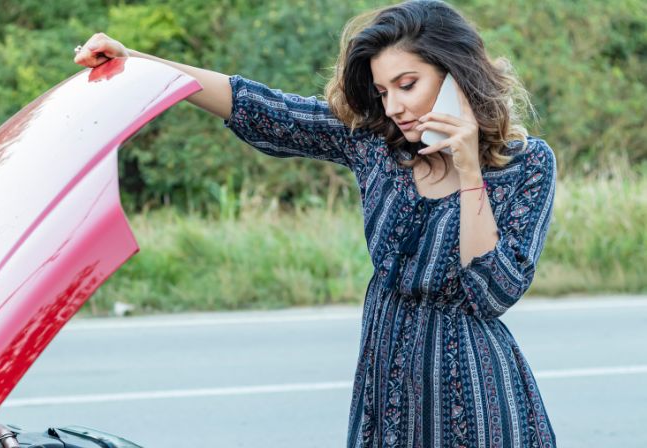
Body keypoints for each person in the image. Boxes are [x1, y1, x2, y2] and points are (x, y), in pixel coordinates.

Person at [74, 0, 557, 446]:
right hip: (385, 387)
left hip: (478, 397)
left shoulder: (527, 164)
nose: (393, 107)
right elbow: (261, 109)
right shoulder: (375, 143)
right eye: (383, 91)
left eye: (407, 85)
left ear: (456, 76)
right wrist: (136, 62)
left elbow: (492, 294)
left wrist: (468, 168)